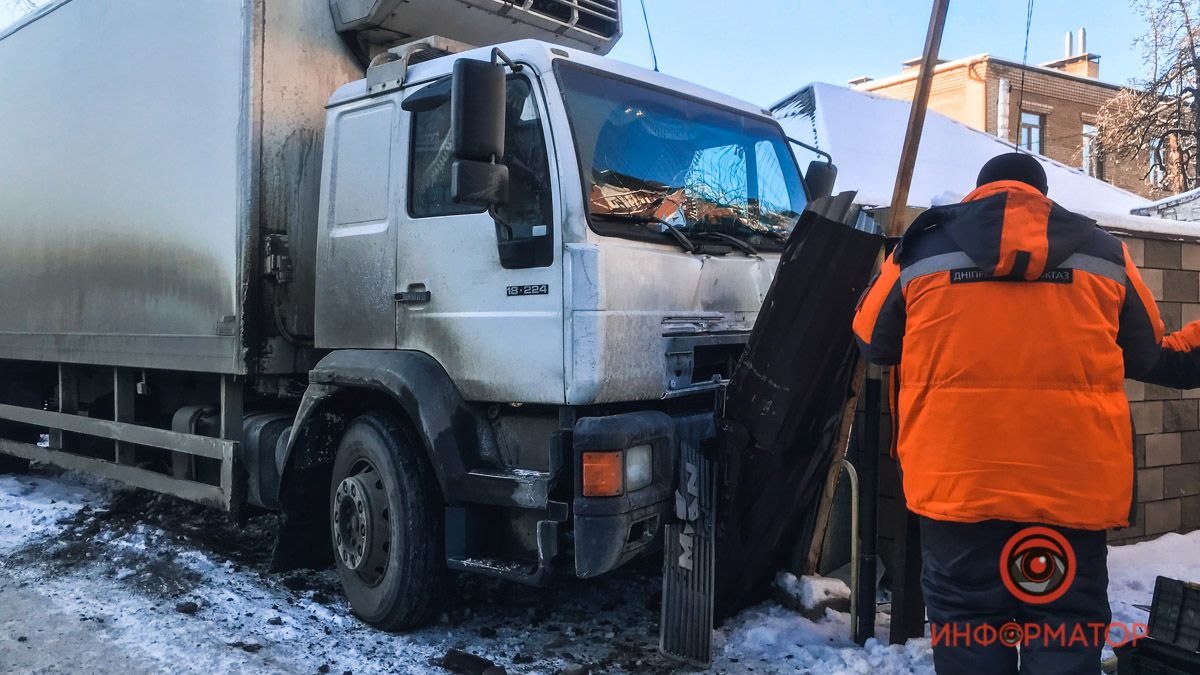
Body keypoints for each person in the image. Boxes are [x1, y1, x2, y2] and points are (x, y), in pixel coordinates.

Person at [852, 152, 1194, 674]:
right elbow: (1151, 355)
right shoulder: (1105, 252)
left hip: (957, 488)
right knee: (1062, 630)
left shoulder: (917, 251)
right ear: (1043, 194)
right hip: (1069, 493)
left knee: (968, 628)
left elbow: (872, 341)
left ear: (978, 190)